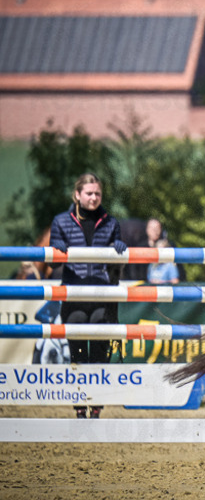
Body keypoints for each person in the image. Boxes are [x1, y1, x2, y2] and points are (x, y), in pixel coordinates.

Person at [49, 173, 127, 418]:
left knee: (100, 354)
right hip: (73, 297)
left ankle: (97, 404)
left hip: (102, 296)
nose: (94, 198)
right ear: (77, 195)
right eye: (89, 193)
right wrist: (56, 251)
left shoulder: (111, 222)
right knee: (78, 354)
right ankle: (80, 404)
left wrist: (120, 250)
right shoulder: (60, 221)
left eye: (97, 194)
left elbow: (117, 267)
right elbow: (51, 265)